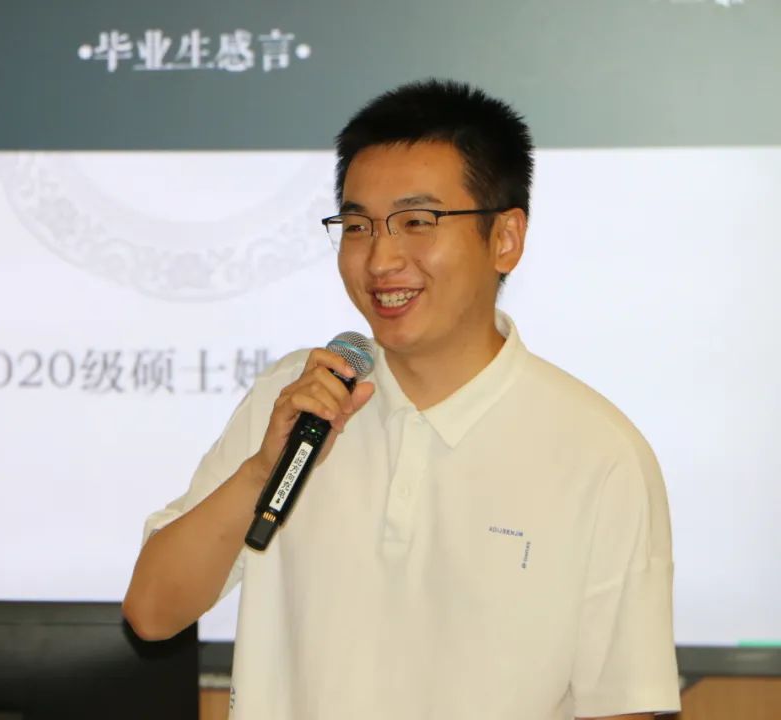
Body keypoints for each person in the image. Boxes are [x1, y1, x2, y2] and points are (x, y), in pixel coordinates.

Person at [123, 79, 680, 720]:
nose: (381, 259)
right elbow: (153, 613)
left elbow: (622, 705)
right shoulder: (295, 402)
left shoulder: (599, 454)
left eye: (417, 222)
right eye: (358, 225)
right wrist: (261, 470)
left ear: (505, 238)